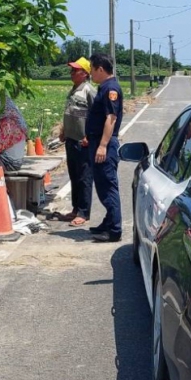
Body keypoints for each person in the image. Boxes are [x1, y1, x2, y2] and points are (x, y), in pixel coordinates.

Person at [85, 53, 124, 242]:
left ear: (100, 69)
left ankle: (114, 230)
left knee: (108, 186)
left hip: (104, 145)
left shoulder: (111, 89)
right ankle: (108, 222)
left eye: (92, 69)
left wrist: (102, 145)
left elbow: (111, 118)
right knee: (102, 185)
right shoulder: (105, 87)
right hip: (97, 142)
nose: (90, 73)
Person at [58, 57, 96, 227]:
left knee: (84, 177)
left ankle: (83, 212)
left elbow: (96, 116)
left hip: (83, 141)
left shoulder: (88, 90)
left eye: (75, 70)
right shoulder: (74, 90)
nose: (71, 73)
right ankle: (75, 208)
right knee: (74, 175)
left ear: (85, 73)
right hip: (71, 139)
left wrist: (89, 134)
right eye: (71, 70)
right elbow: (70, 112)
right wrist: (63, 130)